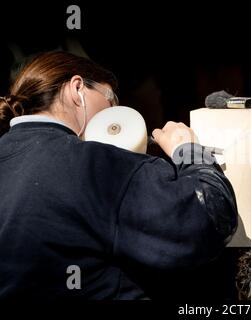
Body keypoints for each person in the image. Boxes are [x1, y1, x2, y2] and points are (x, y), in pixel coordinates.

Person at [0, 51, 238, 300]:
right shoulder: (95, 163)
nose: (115, 113)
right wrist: (188, 152)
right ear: (77, 89)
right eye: (111, 101)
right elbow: (209, 217)